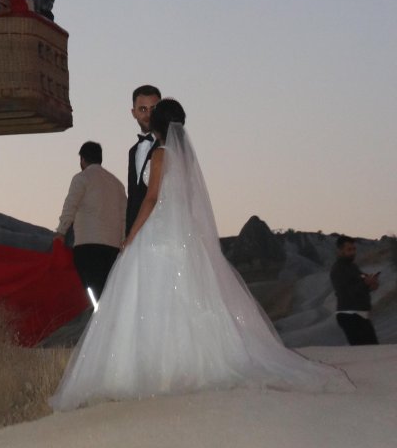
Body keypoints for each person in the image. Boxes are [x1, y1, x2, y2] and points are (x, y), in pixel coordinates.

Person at [50, 99, 348, 410]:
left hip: (158, 234)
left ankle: (155, 368)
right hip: (182, 235)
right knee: (184, 299)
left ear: (159, 124)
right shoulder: (187, 159)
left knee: (150, 298)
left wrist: (131, 235)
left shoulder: (161, 155)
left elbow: (151, 200)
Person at [54, 142, 126, 303]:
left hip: (88, 245)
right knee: (107, 294)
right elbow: (124, 217)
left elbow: (70, 205)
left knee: (91, 294)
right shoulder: (117, 184)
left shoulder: (82, 178)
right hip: (112, 249)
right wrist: (122, 241)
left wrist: (61, 231)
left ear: (82, 159)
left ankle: (96, 324)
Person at [330, 236, 380, 346]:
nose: (353, 252)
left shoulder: (353, 267)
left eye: (354, 249)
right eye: (349, 249)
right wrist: (365, 283)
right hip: (349, 316)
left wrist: (371, 284)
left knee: (373, 350)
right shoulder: (338, 269)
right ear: (340, 251)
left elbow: (360, 285)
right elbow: (346, 293)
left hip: (360, 315)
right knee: (366, 351)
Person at [126, 84, 162, 234]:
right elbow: (133, 195)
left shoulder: (170, 146)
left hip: (161, 228)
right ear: (133, 113)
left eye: (153, 109)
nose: (148, 115)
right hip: (136, 231)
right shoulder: (133, 151)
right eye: (142, 109)